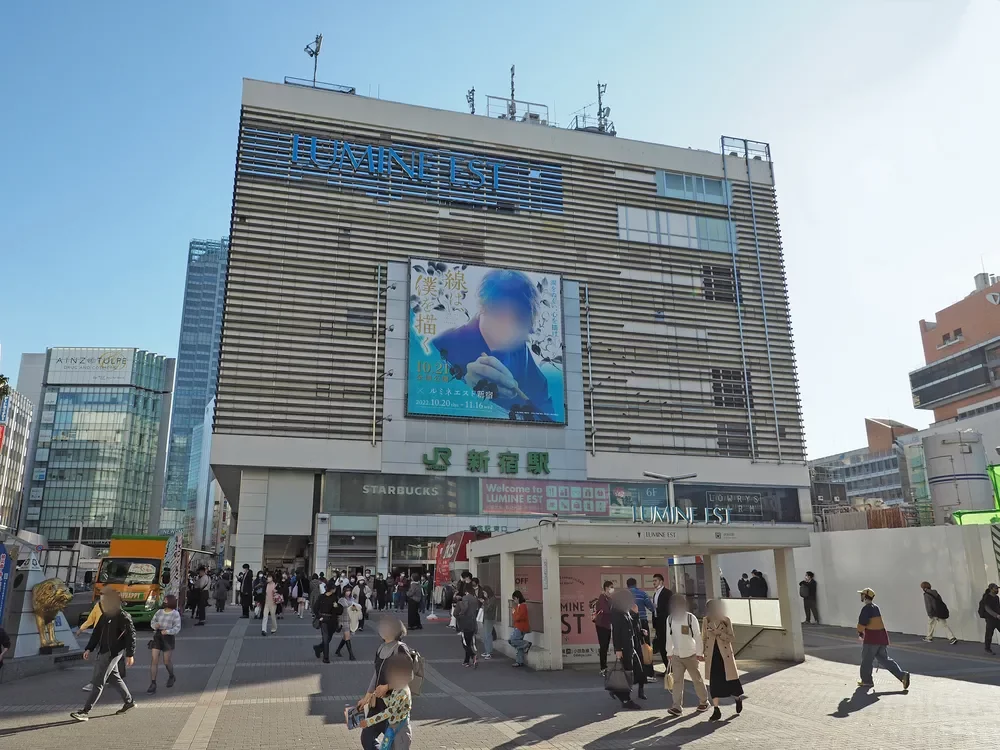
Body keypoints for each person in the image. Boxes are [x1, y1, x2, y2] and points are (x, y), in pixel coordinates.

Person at [431, 269, 555, 420]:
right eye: (500, 315)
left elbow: (548, 415)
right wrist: (466, 390)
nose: (509, 330)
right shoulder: (442, 345)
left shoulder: (522, 353)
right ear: (483, 308)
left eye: (519, 321)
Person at [70, 590, 137, 721]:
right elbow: (96, 633)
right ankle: (129, 702)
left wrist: (130, 654)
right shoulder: (105, 616)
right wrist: (89, 648)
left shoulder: (123, 616)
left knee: (98, 681)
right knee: (114, 678)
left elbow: (131, 635)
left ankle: (85, 711)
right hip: (104, 650)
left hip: (112, 653)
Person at [355, 619, 414, 750]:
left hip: (394, 704)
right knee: (367, 739)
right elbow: (376, 675)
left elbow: (408, 675)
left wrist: (387, 687)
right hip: (377, 703)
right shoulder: (381, 648)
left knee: (394, 745)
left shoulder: (400, 648)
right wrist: (366, 698)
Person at [856, 587, 910, 689]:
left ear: (865, 596)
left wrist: (860, 633)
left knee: (866, 661)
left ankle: (867, 681)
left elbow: (862, 623)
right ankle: (902, 675)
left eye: (862, 594)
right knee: (885, 660)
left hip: (872, 639)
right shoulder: (876, 607)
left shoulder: (866, 609)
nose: (861, 596)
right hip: (881, 638)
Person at [665, 595, 710, 716]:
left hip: (691, 654)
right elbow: (669, 637)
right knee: (677, 681)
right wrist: (669, 652)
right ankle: (677, 707)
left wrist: (699, 653)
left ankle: (704, 702)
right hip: (676, 655)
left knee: (697, 679)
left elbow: (697, 636)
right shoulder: (670, 619)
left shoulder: (691, 618)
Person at [702, 599, 745, 721]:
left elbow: (731, 637)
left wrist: (719, 633)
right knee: (714, 684)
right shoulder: (706, 620)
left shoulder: (726, 620)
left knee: (731, 682)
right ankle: (716, 710)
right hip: (712, 656)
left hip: (725, 656)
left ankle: (737, 699)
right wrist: (702, 652)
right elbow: (704, 637)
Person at [608, 588, 646, 709]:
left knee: (635, 671)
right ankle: (626, 699)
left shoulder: (626, 611)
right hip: (624, 647)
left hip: (631, 646)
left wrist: (636, 614)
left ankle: (617, 691)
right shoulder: (616, 611)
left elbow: (632, 627)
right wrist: (618, 649)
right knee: (627, 674)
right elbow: (616, 632)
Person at [147, 594, 181, 694]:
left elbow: (177, 628)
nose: (164, 602)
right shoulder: (159, 612)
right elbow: (153, 622)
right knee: (154, 659)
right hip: (158, 636)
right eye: (164, 600)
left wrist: (168, 631)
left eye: (166, 600)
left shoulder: (175, 614)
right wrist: (155, 625)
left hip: (168, 638)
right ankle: (153, 683)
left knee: (166, 661)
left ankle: (171, 676)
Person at [76, 600, 104, 692]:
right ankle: (100, 681)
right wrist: (81, 629)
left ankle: (95, 683)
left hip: (109, 638)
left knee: (102, 660)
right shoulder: (98, 606)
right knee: (102, 660)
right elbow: (91, 619)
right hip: (99, 636)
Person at [313, 584, 344, 664]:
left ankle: (318, 648)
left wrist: (336, 606)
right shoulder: (321, 597)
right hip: (324, 620)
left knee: (329, 638)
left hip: (332, 620)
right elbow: (315, 608)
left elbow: (338, 611)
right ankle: (326, 658)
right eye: (334, 588)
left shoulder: (334, 597)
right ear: (331, 589)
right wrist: (319, 616)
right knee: (326, 638)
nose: (335, 590)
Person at [455, 584, 481, 668]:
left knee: (465, 643)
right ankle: (466, 661)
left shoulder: (465, 598)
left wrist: (461, 614)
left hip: (466, 622)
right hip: (473, 622)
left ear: (466, 591)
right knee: (468, 642)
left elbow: (465, 608)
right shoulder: (475, 599)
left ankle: (473, 656)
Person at [651, 572, 673, 670]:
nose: (654, 583)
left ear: (661, 581)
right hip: (658, 623)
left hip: (666, 623)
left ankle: (671, 668)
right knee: (662, 647)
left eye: (655, 580)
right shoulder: (655, 593)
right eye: (653, 581)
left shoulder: (667, 593)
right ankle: (667, 668)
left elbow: (670, 608)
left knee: (667, 646)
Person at [593, 580, 614, 675]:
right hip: (601, 625)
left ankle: (605, 666)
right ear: (606, 588)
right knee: (603, 646)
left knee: (606, 646)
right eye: (611, 587)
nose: (612, 589)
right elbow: (606, 610)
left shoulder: (609, 599)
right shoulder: (602, 598)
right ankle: (603, 668)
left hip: (607, 625)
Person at [336, 585, 361, 660]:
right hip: (343, 620)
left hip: (351, 620)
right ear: (344, 591)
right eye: (347, 591)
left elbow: (355, 609)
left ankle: (338, 650)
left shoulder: (352, 599)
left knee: (345, 637)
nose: (348, 592)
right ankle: (351, 655)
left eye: (349, 591)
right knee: (347, 637)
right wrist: (338, 622)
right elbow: (338, 611)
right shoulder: (341, 600)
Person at [509, 590, 532, 668]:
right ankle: (519, 661)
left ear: (518, 598)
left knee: (512, 640)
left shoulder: (522, 606)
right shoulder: (520, 606)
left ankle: (526, 644)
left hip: (520, 627)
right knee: (519, 645)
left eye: (515, 599)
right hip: (519, 626)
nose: (514, 601)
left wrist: (514, 613)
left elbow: (518, 618)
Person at [627, 577, 653, 642]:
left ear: (627, 585)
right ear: (636, 584)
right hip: (642, 620)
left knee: (633, 642)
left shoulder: (624, 595)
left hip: (629, 622)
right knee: (645, 642)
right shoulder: (642, 594)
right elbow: (651, 607)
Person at [480, 585, 500, 660]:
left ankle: (489, 652)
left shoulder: (492, 599)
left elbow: (488, 609)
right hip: (486, 618)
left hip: (489, 618)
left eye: (484, 593)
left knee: (488, 635)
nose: (484, 594)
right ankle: (487, 651)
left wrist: (484, 603)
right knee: (485, 635)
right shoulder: (489, 599)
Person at [979, 583, 1000, 654]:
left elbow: (998, 607)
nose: (997, 590)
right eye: (995, 588)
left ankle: (987, 648)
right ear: (991, 589)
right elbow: (987, 609)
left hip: (997, 618)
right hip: (990, 619)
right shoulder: (987, 598)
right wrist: (996, 615)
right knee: (989, 634)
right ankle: (987, 648)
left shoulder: (996, 597)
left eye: (997, 588)